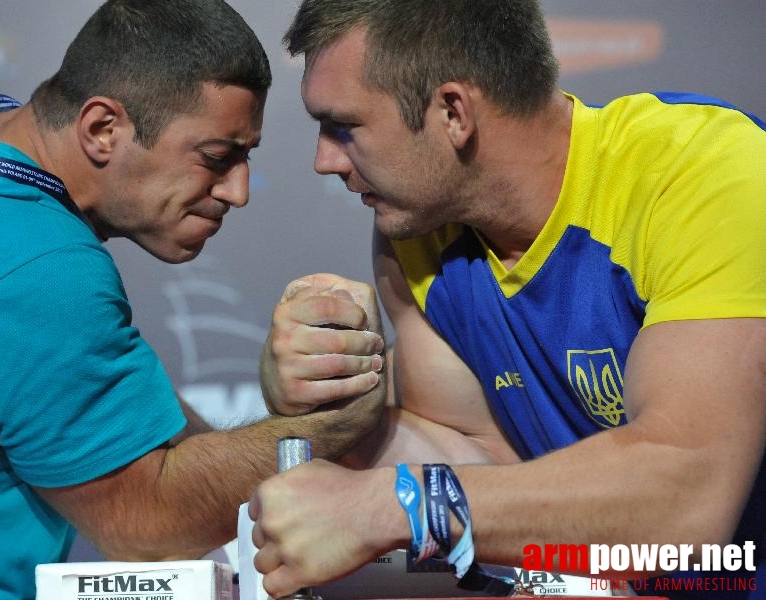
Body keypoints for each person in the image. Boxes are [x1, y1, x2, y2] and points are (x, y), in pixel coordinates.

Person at [0, 1, 385, 599]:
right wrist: (341, 416)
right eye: (217, 158)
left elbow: (94, 406)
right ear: (101, 129)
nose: (238, 191)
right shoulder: (35, 269)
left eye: (246, 158)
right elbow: (148, 527)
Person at [249, 1, 766, 598]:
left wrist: (390, 506)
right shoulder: (417, 236)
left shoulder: (708, 174)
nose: (324, 160)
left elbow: (687, 498)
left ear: (453, 112)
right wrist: (324, 391)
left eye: (345, 126)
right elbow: (484, 462)